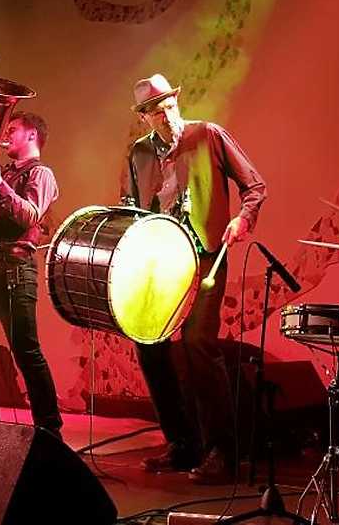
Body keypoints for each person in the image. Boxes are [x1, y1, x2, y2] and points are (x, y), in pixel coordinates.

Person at [120, 74, 267, 484]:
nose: (166, 115)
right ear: (144, 117)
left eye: (169, 106)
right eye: (156, 111)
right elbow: (131, 205)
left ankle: (223, 450)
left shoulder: (208, 135)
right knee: (148, 343)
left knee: (198, 342)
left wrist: (243, 218)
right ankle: (182, 444)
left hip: (204, 255)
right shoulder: (139, 153)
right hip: (161, 261)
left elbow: (255, 186)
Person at [0, 112, 64, 435]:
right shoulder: (3, 173)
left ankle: (49, 429)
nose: (6, 134)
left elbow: (29, 215)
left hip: (14, 269)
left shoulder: (41, 174)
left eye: (13, 129)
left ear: (32, 135)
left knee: (25, 351)